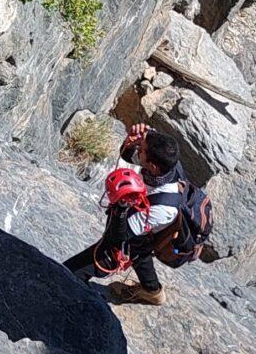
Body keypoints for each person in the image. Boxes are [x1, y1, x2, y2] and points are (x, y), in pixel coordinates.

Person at [64, 126, 189, 306]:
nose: (138, 150)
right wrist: (135, 139)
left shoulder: (163, 207)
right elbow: (129, 155)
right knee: (141, 253)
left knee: (68, 273)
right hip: (144, 236)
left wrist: (122, 205)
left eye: (142, 150)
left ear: (152, 166)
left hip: (126, 243)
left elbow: (117, 238)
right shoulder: (167, 163)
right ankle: (152, 291)